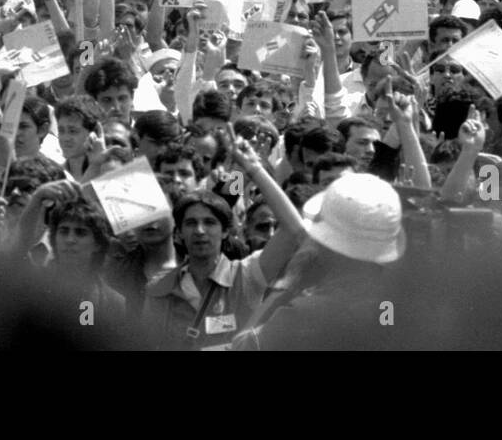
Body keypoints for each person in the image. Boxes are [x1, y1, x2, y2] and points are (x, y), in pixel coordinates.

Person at [143, 139, 304, 349]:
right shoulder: (160, 288)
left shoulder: (245, 275)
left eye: (209, 223)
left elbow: (293, 231)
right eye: (191, 224)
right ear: (178, 233)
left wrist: (252, 168)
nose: (200, 231)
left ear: (227, 231)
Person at [230, 173, 405, 350]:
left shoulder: (303, 315)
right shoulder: (392, 305)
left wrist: (286, 284)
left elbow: (244, 346)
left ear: (327, 243)